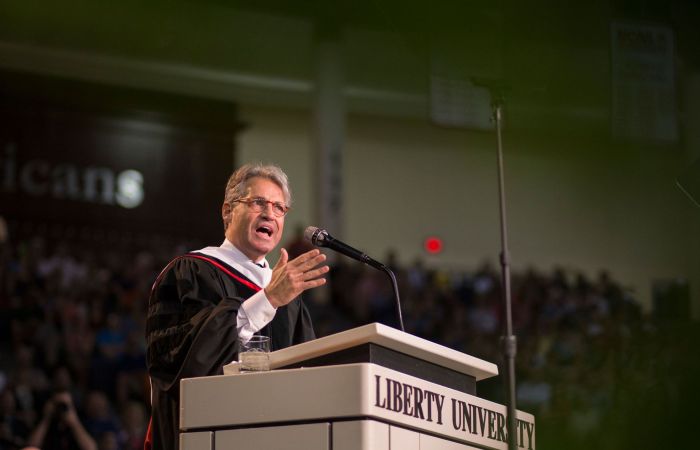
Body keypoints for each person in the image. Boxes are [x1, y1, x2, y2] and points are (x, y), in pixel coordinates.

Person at [144, 163, 328, 450]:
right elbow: (184, 363)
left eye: (279, 207)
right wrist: (267, 301)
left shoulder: (289, 297)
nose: (270, 213)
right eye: (258, 202)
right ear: (228, 211)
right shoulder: (190, 272)